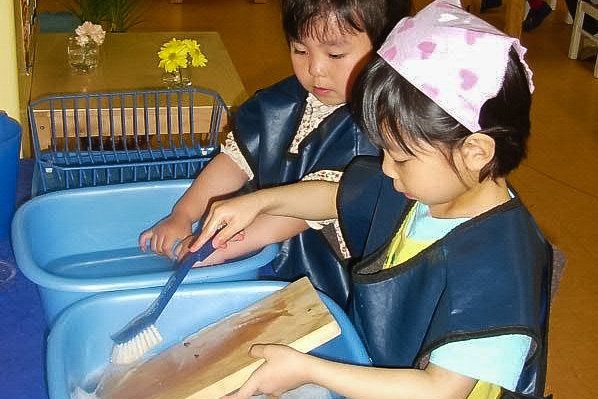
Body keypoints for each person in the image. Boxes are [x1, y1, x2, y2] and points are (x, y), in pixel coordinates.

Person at [193, 1, 554, 398]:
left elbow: (439, 391)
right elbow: (338, 198)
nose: (385, 168)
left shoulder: (498, 263)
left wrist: (311, 370)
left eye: (400, 156)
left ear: (476, 152)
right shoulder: (433, 194)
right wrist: (261, 202)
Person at [139, 0, 403, 306]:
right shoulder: (279, 101)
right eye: (300, 50)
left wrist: (218, 247)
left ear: (386, 48)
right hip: (260, 253)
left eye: (335, 54)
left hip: (322, 282)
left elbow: (301, 215)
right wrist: (183, 214)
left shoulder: (374, 128)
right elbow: (234, 162)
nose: (315, 68)